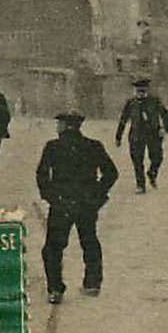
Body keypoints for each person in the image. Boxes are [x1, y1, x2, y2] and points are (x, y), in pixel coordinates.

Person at [35, 111, 118, 304]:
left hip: (61, 203)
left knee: (53, 247)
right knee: (89, 242)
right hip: (86, 204)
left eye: (59, 124)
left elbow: (41, 175)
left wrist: (50, 196)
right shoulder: (93, 146)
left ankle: (55, 289)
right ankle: (92, 284)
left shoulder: (53, 147)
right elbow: (111, 173)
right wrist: (97, 195)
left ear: (64, 126)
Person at [115, 77, 168, 193]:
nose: (140, 93)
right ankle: (140, 184)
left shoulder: (154, 101)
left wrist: (164, 129)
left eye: (142, 91)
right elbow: (123, 120)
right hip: (136, 135)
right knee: (137, 160)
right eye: (138, 91)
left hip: (153, 133)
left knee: (157, 157)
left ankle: (152, 172)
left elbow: (165, 115)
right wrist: (118, 137)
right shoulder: (131, 103)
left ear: (146, 90)